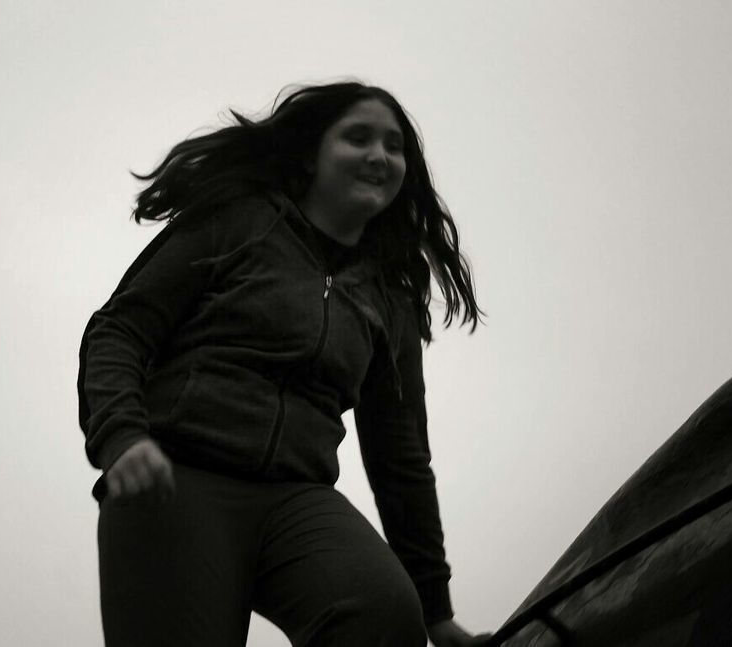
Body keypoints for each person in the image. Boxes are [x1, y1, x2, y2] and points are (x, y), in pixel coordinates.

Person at [78, 81, 488, 646]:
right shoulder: (240, 221)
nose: (379, 156)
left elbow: (402, 460)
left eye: (395, 147)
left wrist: (435, 611)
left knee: (386, 613)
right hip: (178, 480)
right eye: (358, 138)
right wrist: (121, 435)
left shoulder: (389, 298)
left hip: (297, 501)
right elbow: (119, 329)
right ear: (310, 153)